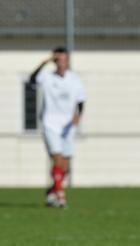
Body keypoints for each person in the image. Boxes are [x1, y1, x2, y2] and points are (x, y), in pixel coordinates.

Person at [30, 47, 86, 208]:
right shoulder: (46, 77)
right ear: (55, 61)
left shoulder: (74, 79)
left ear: (67, 61)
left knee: (65, 168)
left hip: (68, 127)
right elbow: (32, 80)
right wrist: (44, 63)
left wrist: (78, 115)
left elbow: (81, 100)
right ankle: (61, 198)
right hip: (50, 124)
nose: (61, 63)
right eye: (58, 60)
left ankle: (51, 191)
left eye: (64, 59)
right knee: (58, 160)